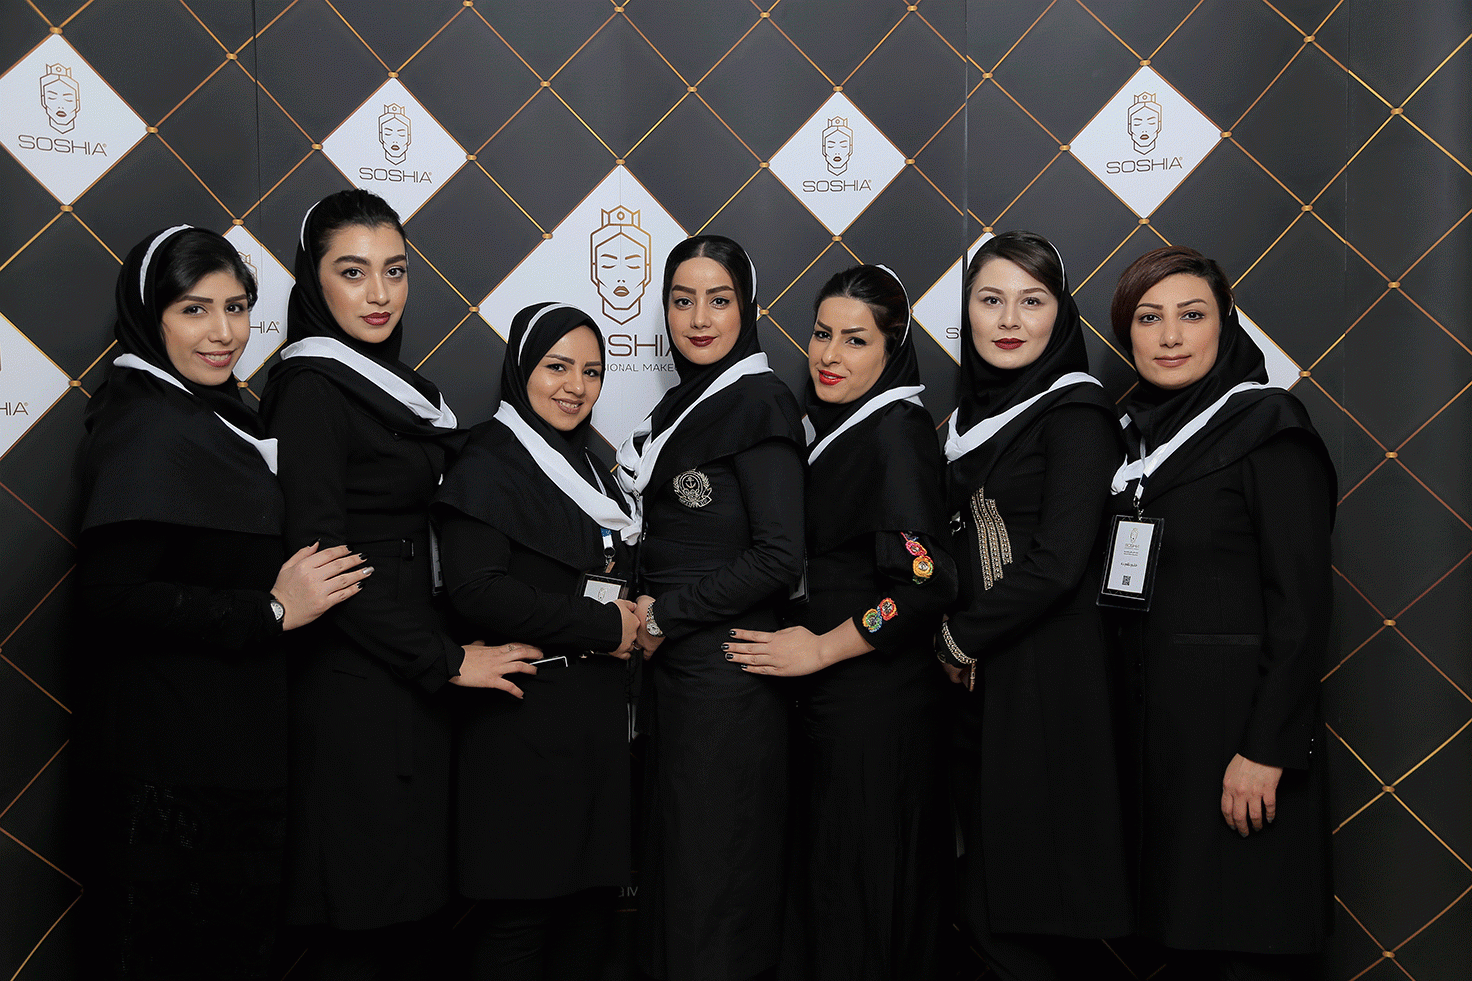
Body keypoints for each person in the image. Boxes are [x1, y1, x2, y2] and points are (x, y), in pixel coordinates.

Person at [260, 189, 539, 978]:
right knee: (365, 913)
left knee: (407, 911)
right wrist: (449, 660)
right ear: (313, 280)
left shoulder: (395, 383)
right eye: (353, 272)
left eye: (395, 270)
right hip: (358, 688)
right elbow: (324, 566)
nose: (379, 293)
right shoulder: (311, 387)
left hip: (405, 682)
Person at [77, 225, 369, 979]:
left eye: (236, 307)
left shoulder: (223, 415)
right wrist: (269, 612)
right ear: (151, 317)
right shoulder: (146, 423)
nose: (224, 333)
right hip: (167, 775)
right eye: (193, 309)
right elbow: (109, 597)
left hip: (234, 755)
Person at [1107, 246, 1334, 979]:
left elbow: (1302, 607)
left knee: (1244, 945)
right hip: (1163, 753)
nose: (1170, 336)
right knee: (1177, 947)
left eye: (1192, 315)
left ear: (1226, 324)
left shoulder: (1271, 426)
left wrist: (1267, 750)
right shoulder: (1134, 443)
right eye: (1149, 318)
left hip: (1240, 750)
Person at [725, 264, 957, 980]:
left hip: (876, 710)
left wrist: (821, 649)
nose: (829, 355)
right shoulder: (833, 427)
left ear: (892, 348)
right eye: (822, 334)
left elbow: (925, 585)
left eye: (856, 340)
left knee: (859, 899)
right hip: (834, 708)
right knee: (830, 897)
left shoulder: (896, 432)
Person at [935, 231, 1132, 979]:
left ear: (1061, 312)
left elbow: (1058, 563)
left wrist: (958, 637)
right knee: (987, 897)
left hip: (1044, 679)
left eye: (1032, 300)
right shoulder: (963, 420)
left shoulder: (1077, 413)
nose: (1010, 320)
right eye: (991, 300)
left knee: (1022, 903)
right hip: (981, 685)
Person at [616, 235, 806, 981]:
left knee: (716, 873)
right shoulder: (686, 403)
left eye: (718, 300)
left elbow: (778, 556)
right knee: (681, 866)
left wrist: (663, 615)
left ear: (747, 309)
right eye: (682, 300)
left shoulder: (759, 401)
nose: (698, 319)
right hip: (679, 673)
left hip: (726, 676)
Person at [432, 302, 641, 979]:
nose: (575, 386)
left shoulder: (594, 469)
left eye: (592, 371)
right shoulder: (486, 461)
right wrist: (602, 626)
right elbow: (476, 589)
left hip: (593, 728)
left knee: (589, 921)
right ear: (522, 369)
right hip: (520, 726)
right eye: (557, 366)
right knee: (519, 923)